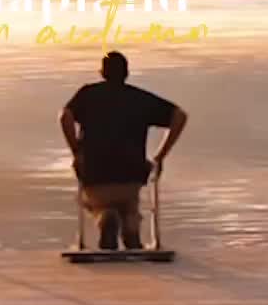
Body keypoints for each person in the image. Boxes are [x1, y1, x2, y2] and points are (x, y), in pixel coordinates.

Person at [59, 52, 188, 250]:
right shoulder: (139, 97)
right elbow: (179, 116)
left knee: (95, 200)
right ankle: (130, 227)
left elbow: (65, 116)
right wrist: (160, 156)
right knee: (129, 203)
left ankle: (105, 217)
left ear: (102, 73)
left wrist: (76, 151)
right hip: (132, 174)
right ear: (127, 73)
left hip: (95, 173)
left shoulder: (87, 94)